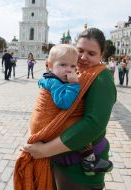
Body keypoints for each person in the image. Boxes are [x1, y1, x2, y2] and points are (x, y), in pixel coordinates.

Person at [14, 28, 116, 190]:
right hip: (59, 162)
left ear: (101, 55)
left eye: (91, 53)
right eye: (80, 50)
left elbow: (93, 124)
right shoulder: (73, 72)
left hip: (79, 172)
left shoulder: (101, 78)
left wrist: (45, 150)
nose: (83, 57)